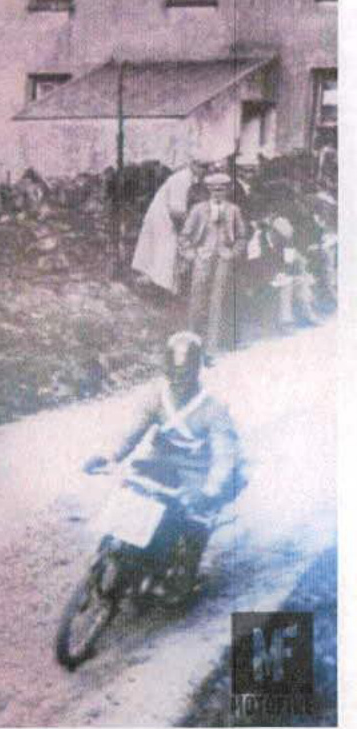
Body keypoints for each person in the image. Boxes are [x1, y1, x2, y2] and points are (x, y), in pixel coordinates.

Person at [83, 332, 244, 592]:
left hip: (196, 470)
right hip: (160, 460)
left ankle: (184, 574)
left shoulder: (214, 408)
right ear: (166, 369)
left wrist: (211, 489)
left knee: (195, 516)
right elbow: (132, 431)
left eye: (187, 372)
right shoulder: (157, 397)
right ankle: (117, 553)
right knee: (131, 493)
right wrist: (108, 455)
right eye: (175, 372)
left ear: (197, 371)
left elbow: (225, 453)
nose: (180, 379)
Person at [179, 173, 247, 355]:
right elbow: (184, 236)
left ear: (227, 191)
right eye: (214, 190)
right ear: (209, 191)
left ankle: (211, 349)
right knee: (196, 302)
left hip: (223, 260)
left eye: (222, 189)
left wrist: (232, 253)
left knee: (216, 302)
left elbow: (241, 237)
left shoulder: (233, 210)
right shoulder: (198, 210)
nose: (218, 193)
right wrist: (191, 255)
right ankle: (193, 346)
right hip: (202, 259)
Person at [131, 158, 210, 295]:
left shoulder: (194, 179)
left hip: (169, 217)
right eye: (202, 167)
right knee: (166, 252)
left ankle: (158, 286)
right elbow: (176, 210)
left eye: (206, 167)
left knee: (164, 256)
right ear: (192, 165)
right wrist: (188, 229)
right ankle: (158, 288)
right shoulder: (181, 179)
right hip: (163, 217)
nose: (204, 171)